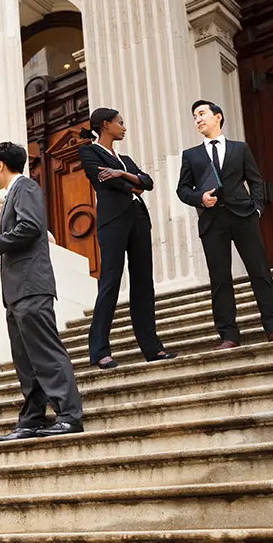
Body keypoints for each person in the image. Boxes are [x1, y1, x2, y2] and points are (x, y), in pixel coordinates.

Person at [0, 142, 84, 441]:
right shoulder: (13, 193)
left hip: (31, 286)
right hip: (16, 291)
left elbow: (30, 227)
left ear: (0, 166)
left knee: (46, 353)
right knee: (26, 360)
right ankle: (32, 419)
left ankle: (69, 416)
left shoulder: (24, 187)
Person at [176, 99, 273, 349]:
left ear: (218, 116)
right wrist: (200, 198)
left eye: (202, 113)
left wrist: (257, 208)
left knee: (259, 271)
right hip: (212, 222)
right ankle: (228, 335)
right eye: (194, 116)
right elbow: (182, 190)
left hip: (243, 216)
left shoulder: (240, 149)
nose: (197, 119)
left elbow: (255, 179)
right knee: (220, 279)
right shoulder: (191, 155)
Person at [77, 108, 174, 369]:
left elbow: (148, 183)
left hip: (138, 218)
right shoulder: (88, 151)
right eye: (120, 122)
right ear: (106, 124)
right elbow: (102, 180)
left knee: (144, 282)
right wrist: (131, 182)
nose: (124, 127)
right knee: (110, 281)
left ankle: (152, 349)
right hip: (112, 221)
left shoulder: (125, 159)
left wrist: (121, 174)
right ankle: (99, 351)